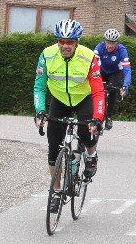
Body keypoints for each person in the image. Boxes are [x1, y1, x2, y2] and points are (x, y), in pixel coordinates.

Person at [34, 19, 105, 183]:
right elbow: (39, 87)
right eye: (61, 41)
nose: (65, 46)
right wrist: (40, 111)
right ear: (57, 41)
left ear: (77, 42)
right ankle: (56, 191)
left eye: (70, 42)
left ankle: (91, 154)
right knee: (53, 145)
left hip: (83, 98)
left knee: (87, 132)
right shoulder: (46, 55)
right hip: (59, 99)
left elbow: (98, 91)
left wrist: (98, 117)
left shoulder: (88, 57)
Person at [93, 28, 131, 130]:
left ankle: (109, 117)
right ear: (104, 41)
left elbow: (127, 69)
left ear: (116, 43)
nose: (110, 46)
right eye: (108, 42)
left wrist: (125, 86)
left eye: (112, 43)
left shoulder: (121, 50)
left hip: (115, 72)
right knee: (96, 89)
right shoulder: (100, 47)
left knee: (112, 89)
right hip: (102, 71)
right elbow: (93, 64)